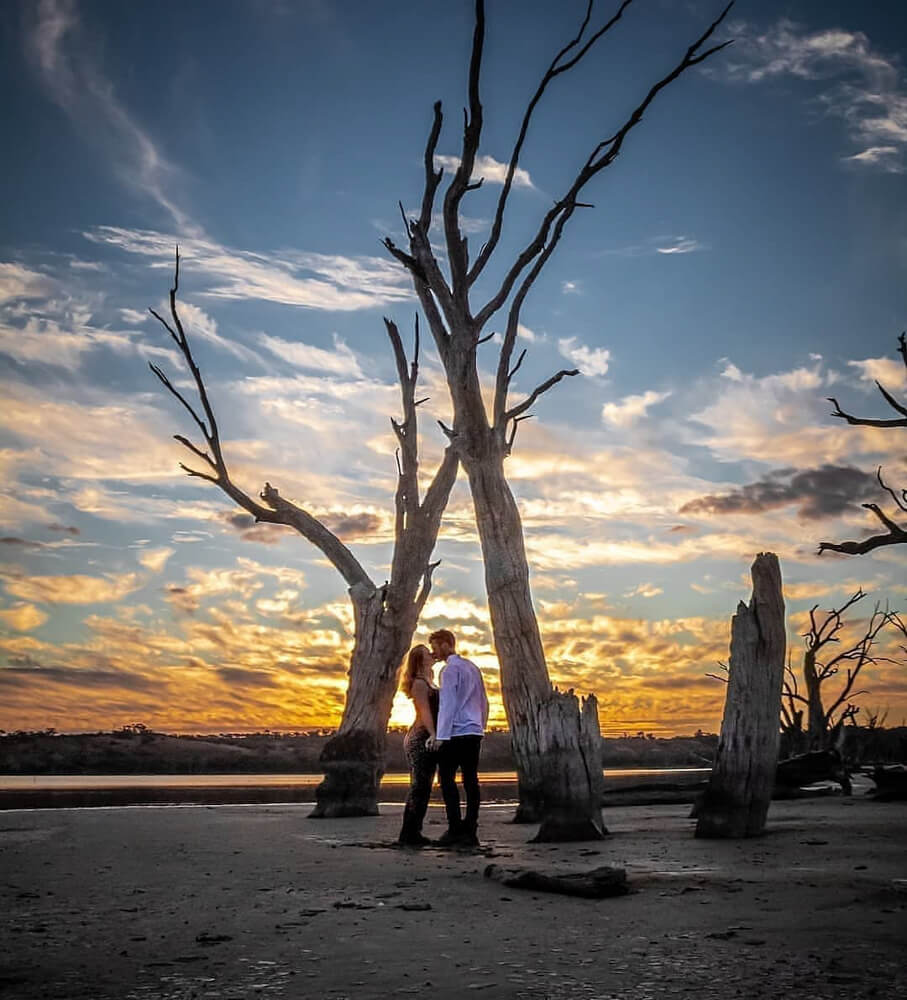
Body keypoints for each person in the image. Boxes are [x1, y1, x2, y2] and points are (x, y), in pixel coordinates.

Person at [428, 628, 489, 847]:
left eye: (435, 647)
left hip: (455, 732)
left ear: (446, 644)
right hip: (473, 731)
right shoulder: (472, 667)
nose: (434, 652)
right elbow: (483, 700)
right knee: (471, 780)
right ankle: (470, 828)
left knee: (446, 780)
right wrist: (481, 725)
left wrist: (441, 736)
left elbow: (448, 704)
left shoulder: (449, 670)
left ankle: (455, 828)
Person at [396, 643, 440, 847]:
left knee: (423, 786)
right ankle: (409, 833)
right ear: (420, 661)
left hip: (426, 736)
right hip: (420, 737)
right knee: (419, 786)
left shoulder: (429, 679)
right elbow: (425, 713)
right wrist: (433, 734)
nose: (431, 655)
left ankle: (413, 831)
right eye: (427, 654)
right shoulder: (420, 683)